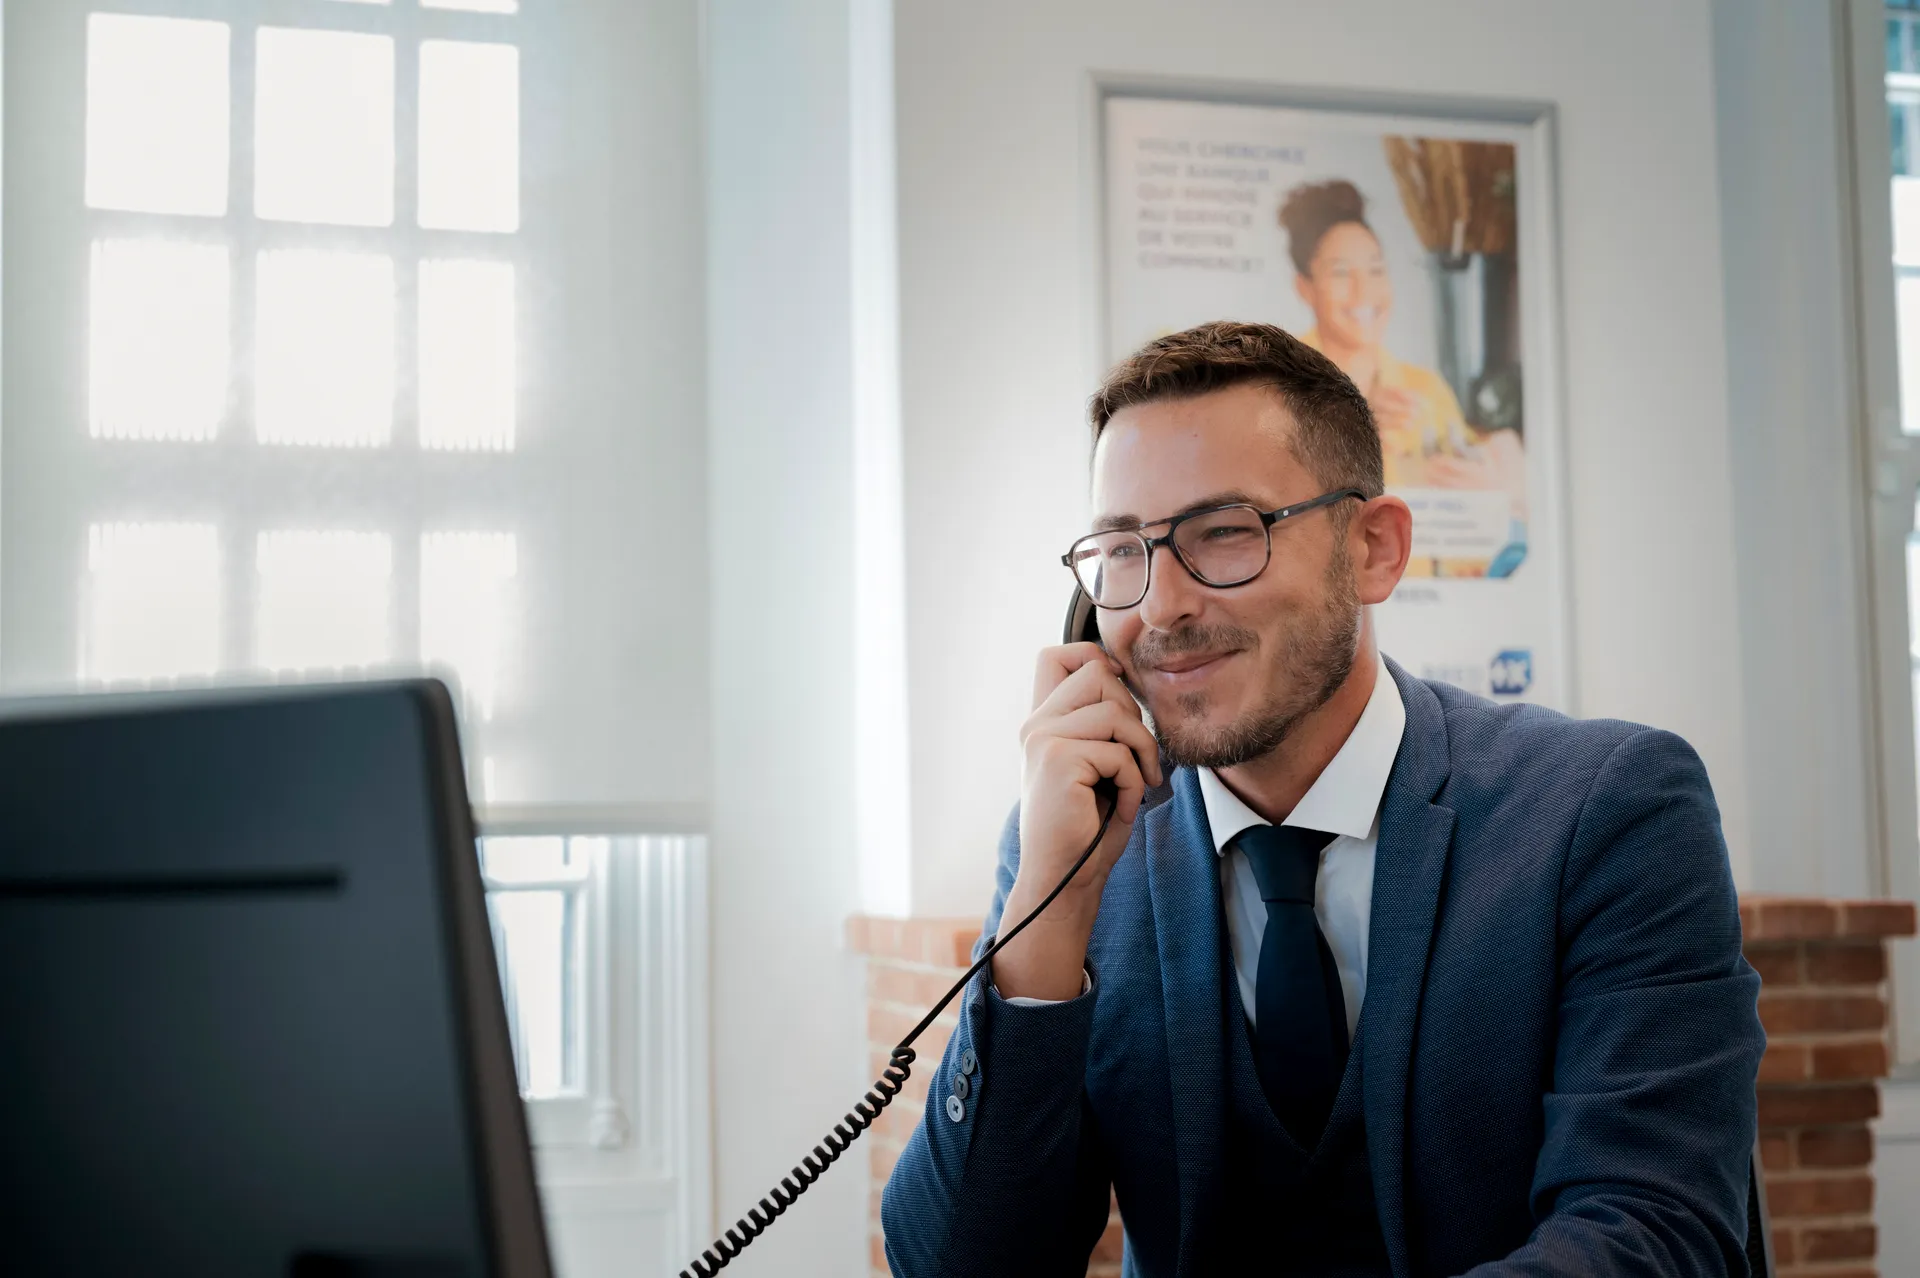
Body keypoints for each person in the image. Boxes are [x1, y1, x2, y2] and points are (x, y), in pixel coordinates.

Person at [880, 321, 1762, 1276]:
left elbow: (1655, 1237)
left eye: (1223, 533)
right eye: (1123, 552)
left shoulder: (1609, 810)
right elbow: (959, 1265)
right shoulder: (1079, 846)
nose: (1161, 606)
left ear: (1375, 550)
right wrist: (1044, 922)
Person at [1280, 180, 1527, 576]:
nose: (1365, 292)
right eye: (1341, 273)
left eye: (1376, 270)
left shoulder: (1424, 389)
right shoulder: (1280, 390)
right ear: (1305, 287)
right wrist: (1352, 433)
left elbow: (1475, 536)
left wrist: (1490, 494)